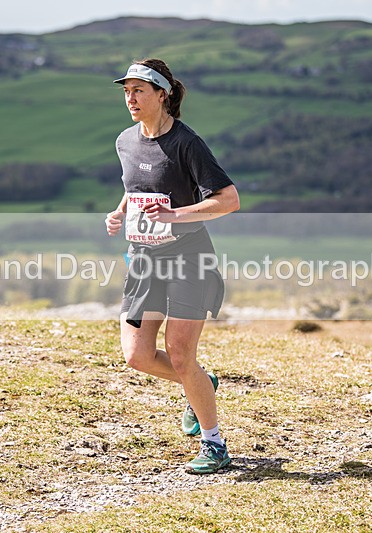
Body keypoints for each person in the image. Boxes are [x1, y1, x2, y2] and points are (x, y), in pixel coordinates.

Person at [105, 58, 240, 474]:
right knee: (137, 356)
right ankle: (201, 385)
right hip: (144, 260)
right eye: (126, 91)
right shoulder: (125, 141)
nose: (131, 98)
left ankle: (214, 445)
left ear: (162, 94)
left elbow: (229, 199)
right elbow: (137, 189)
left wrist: (178, 216)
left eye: (139, 90)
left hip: (189, 259)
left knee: (182, 355)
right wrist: (118, 212)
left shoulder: (187, 143)